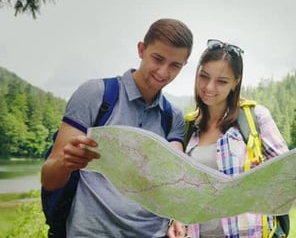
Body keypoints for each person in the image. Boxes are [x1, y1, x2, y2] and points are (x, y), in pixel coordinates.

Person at [41, 18, 193, 237]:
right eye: (157, 59)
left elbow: (175, 181)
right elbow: (49, 179)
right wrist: (66, 162)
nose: (163, 72)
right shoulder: (95, 94)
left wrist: (178, 216)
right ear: (141, 49)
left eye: (174, 65)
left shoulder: (172, 117)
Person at [169, 39, 296, 238]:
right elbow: (180, 190)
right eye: (204, 76)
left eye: (222, 81)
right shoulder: (188, 126)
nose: (209, 87)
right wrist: (176, 218)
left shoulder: (255, 118)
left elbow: (288, 171)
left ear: (235, 82)